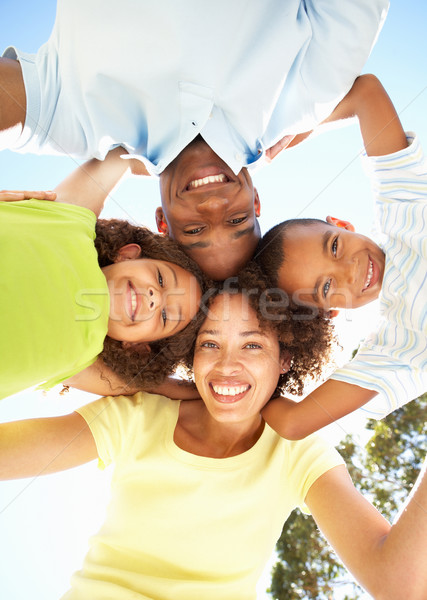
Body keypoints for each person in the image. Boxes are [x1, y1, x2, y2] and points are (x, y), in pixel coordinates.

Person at [0, 271, 426, 600]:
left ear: (285, 361)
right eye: (209, 344)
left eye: (253, 345)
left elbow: (397, 583)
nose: (226, 366)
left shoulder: (298, 454)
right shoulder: (139, 416)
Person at [0, 0, 389, 278]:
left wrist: (115, 162)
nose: (214, 204)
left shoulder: (81, 123)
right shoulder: (306, 94)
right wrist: (310, 118)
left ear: (162, 223)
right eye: (237, 219)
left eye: (195, 230)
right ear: (255, 201)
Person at [255, 74, 427, 439]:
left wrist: (302, 130)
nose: (350, 268)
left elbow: (366, 93)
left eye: (334, 246)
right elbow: (293, 422)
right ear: (332, 311)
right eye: (327, 286)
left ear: (342, 223)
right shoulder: (395, 345)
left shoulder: (405, 208)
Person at [0, 148, 207, 401]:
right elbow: (126, 156)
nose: (155, 298)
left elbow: (158, 386)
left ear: (138, 347)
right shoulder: (71, 220)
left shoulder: (84, 359)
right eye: (161, 280)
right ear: (128, 254)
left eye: (165, 316)